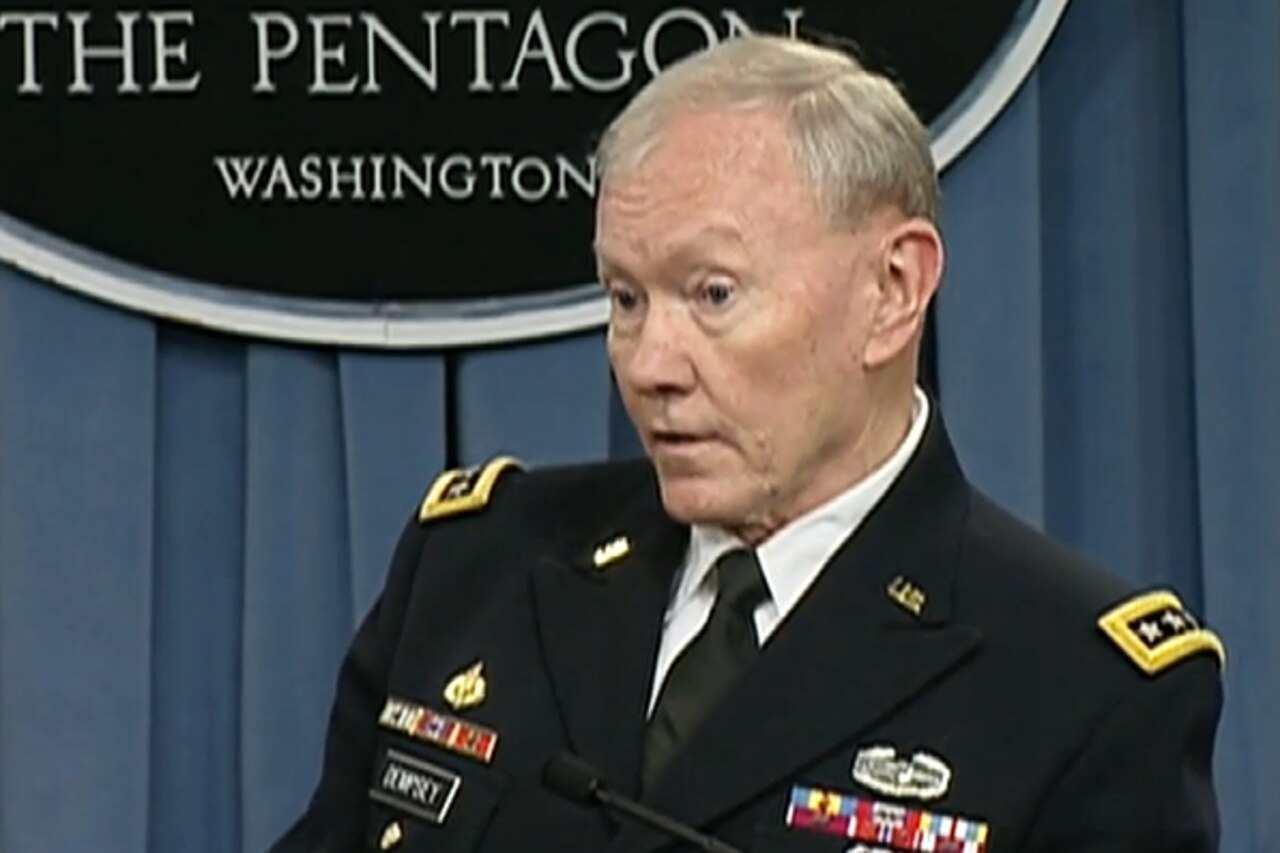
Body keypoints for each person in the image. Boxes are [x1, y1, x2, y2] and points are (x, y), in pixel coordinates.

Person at [273, 34, 1224, 852]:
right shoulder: (475, 565)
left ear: (893, 290)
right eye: (625, 299)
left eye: (712, 294)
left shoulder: (1079, 687)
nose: (650, 363)